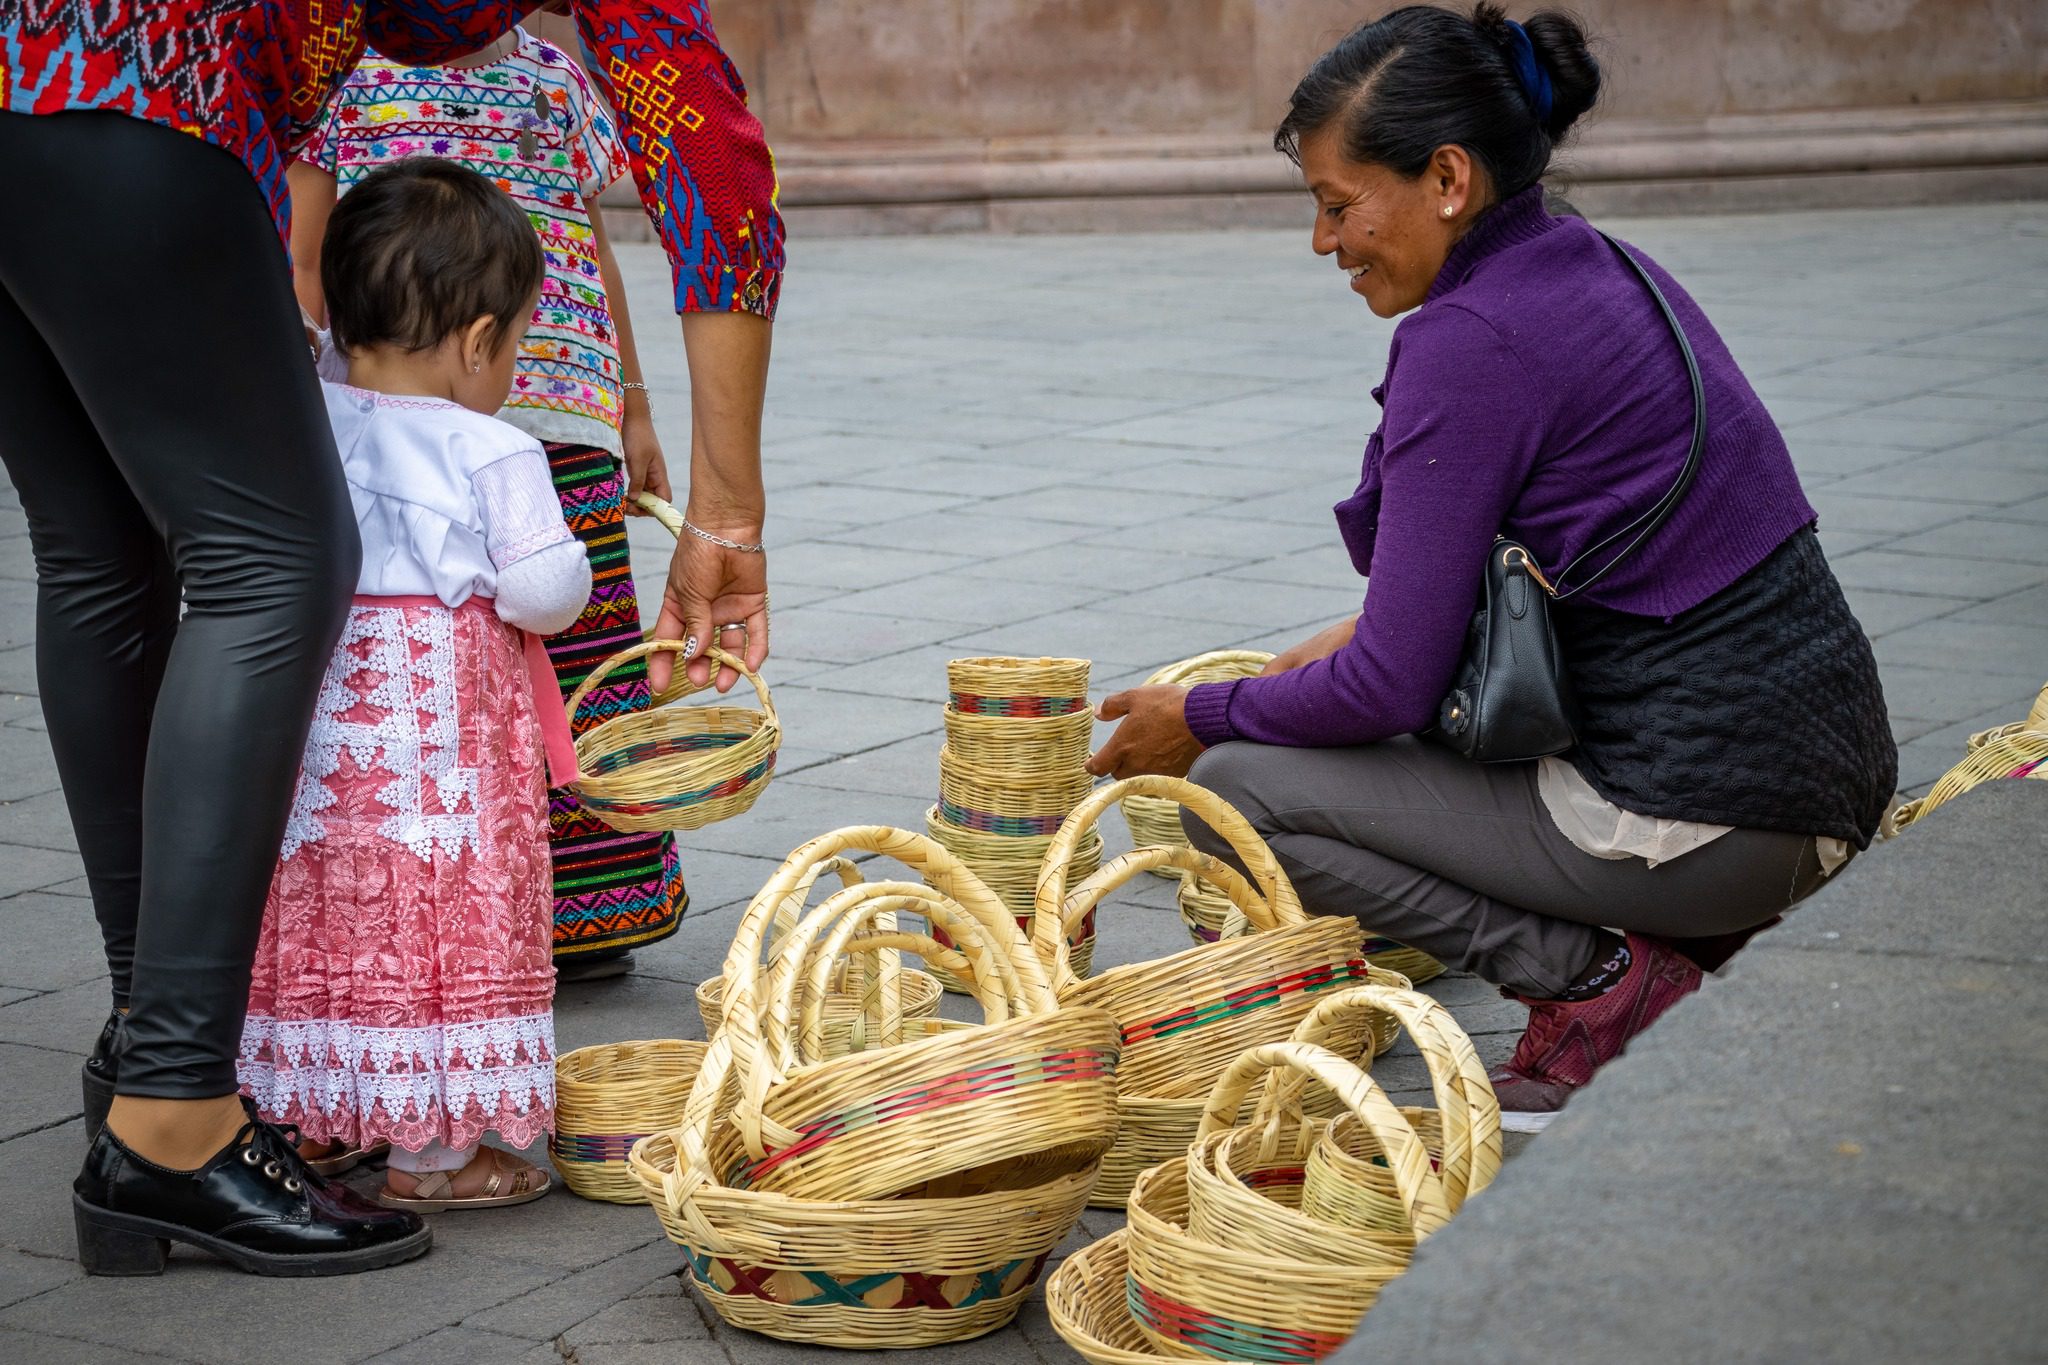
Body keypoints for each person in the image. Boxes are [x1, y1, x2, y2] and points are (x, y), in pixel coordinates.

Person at [1, 0, 776, 1276]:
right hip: (144, 102)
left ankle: (154, 1046)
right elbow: (707, 152)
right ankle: (175, 1114)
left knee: (98, 556)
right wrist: (729, 516)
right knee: (271, 562)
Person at [1088, 4, 1897, 1133]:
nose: (1325, 243)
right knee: (1317, 715)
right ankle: (1661, 941)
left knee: (1232, 795)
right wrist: (1336, 651)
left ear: (1447, 179)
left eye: (1335, 205)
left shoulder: (1470, 341)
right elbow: (1487, 596)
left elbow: (1390, 689)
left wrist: (1200, 713)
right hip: (1817, 790)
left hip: (1714, 829)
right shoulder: (1598, 265)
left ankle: (1601, 986)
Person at [288, 22, 687, 984]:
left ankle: (592, 914)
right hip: (401, 409)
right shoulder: (337, 77)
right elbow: (305, 258)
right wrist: (313, 391)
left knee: (588, 664)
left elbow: (586, 251)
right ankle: (449, 904)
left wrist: (631, 403)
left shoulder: (553, 77)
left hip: (556, 402)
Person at [236, 158, 589, 1216]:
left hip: (325, 741)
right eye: (514, 344)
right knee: (442, 925)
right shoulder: (491, 448)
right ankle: (436, 1155)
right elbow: (543, 589)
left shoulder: (305, 413)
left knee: (329, 914)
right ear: (480, 341)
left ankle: (317, 1111)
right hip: (444, 759)